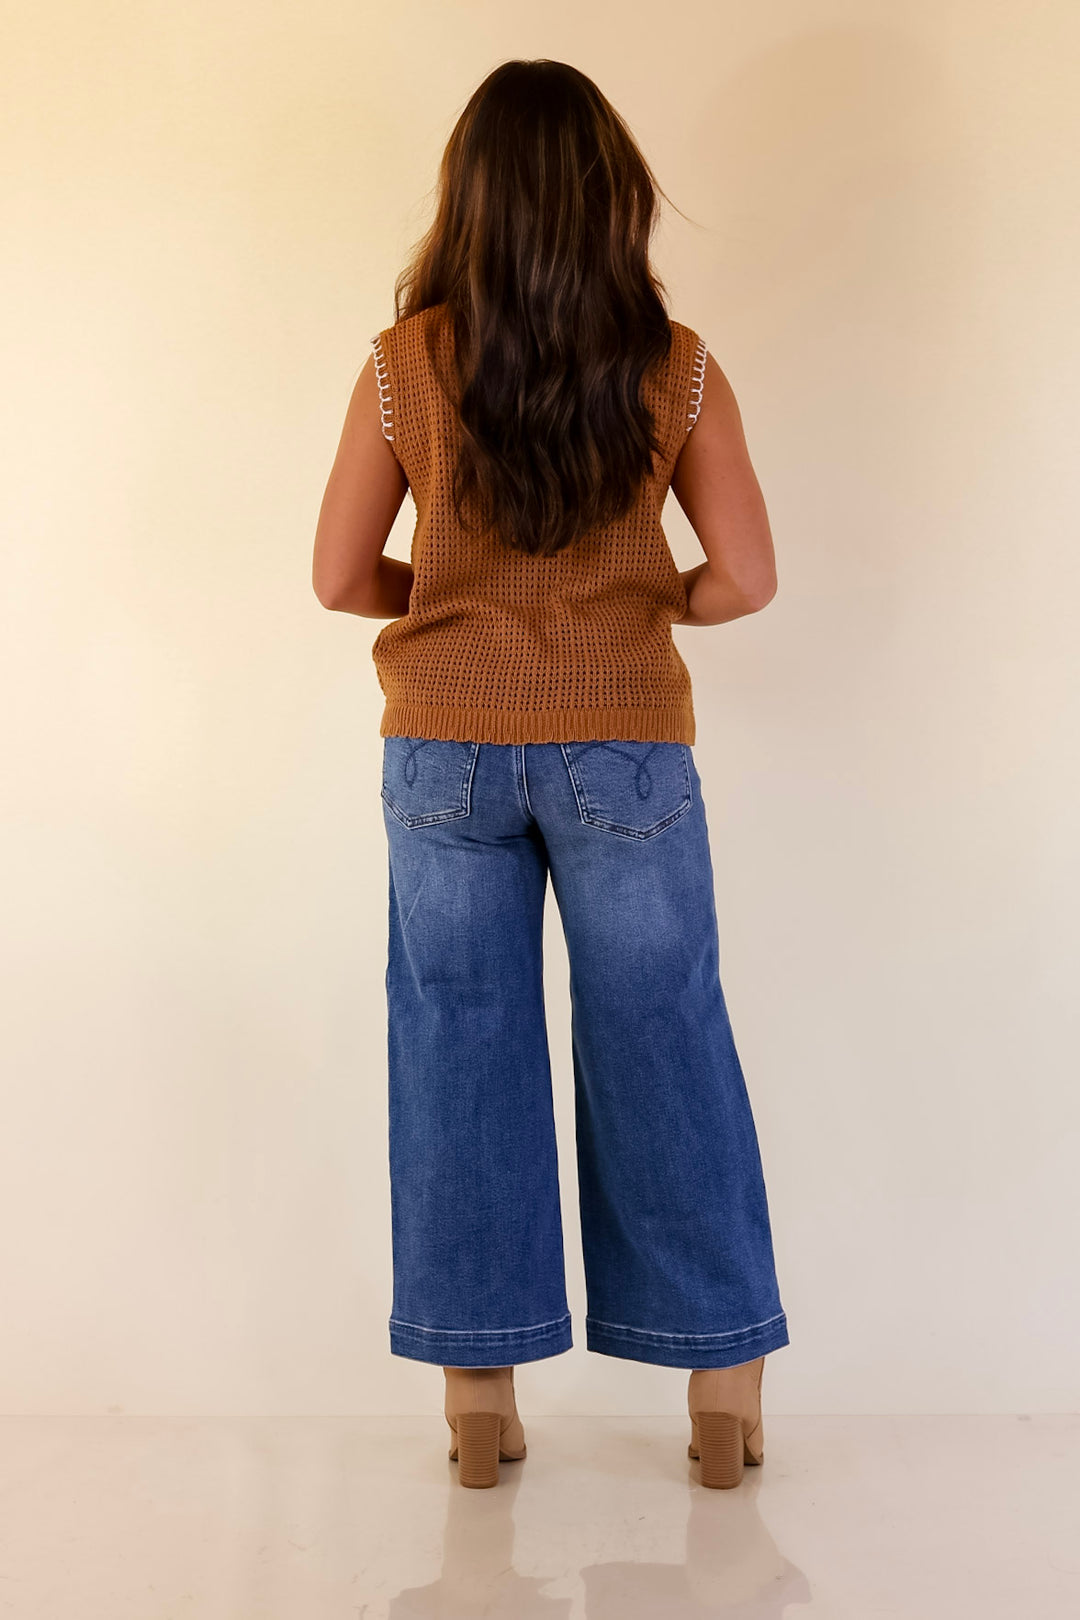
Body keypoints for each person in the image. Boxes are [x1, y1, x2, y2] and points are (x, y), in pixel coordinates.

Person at [312, 58, 789, 1491]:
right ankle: (724, 1405)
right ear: (609, 197)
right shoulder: (676, 360)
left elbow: (340, 578)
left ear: (468, 200)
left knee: (459, 1048)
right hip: (625, 748)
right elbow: (749, 581)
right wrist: (641, 606)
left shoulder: (405, 368)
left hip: (441, 756)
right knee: (667, 1040)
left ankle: (477, 1406)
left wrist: (450, 597)